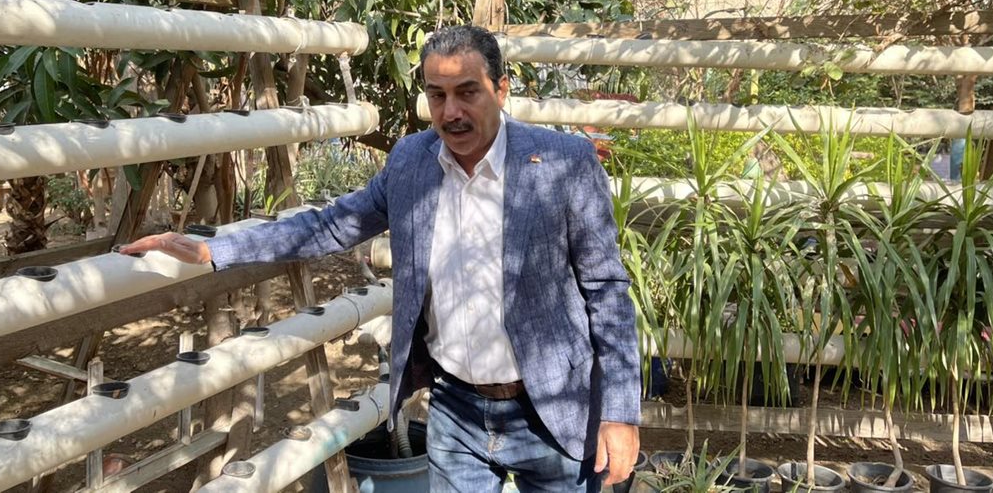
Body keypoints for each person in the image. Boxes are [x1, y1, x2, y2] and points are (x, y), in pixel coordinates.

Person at [120, 25, 640, 492]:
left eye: (467, 92)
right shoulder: (412, 161)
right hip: (455, 409)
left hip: (552, 407)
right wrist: (216, 248)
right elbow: (330, 225)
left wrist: (619, 413)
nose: (451, 112)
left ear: (501, 89)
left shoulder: (563, 164)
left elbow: (606, 289)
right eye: (437, 95)